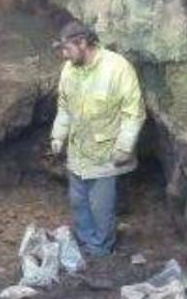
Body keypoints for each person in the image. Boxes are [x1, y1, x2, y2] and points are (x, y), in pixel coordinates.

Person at [48, 21, 145, 257]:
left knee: (101, 208)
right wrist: (58, 136)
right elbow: (65, 107)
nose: (64, 55)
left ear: (82, 43)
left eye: (67, 48)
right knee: (78, 202)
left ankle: (101, 251)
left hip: (106, 155)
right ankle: (85, 243)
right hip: (78, 153)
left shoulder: (117, 68)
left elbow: (134, 112)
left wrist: (124, 147)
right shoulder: (70, 69)